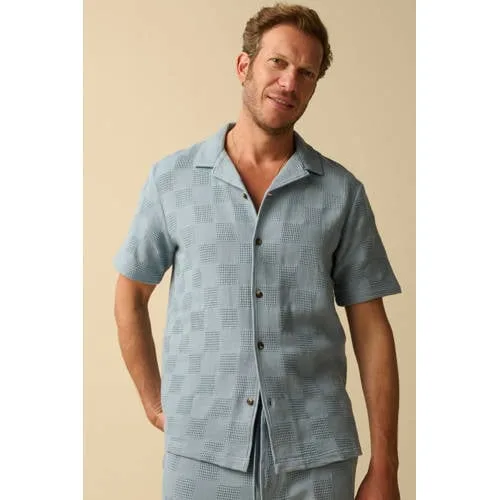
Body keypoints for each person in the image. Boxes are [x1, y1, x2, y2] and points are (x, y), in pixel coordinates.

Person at [113, 3, 402, 499]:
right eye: (278, 63)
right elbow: (129, 294)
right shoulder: (173, 181)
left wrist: (386, 465)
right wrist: (155, 402)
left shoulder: (341, 193)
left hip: (316, 460)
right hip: (202, 458)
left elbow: (372, 329)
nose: (290, 83)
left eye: (306, 73)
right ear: (244, 65)